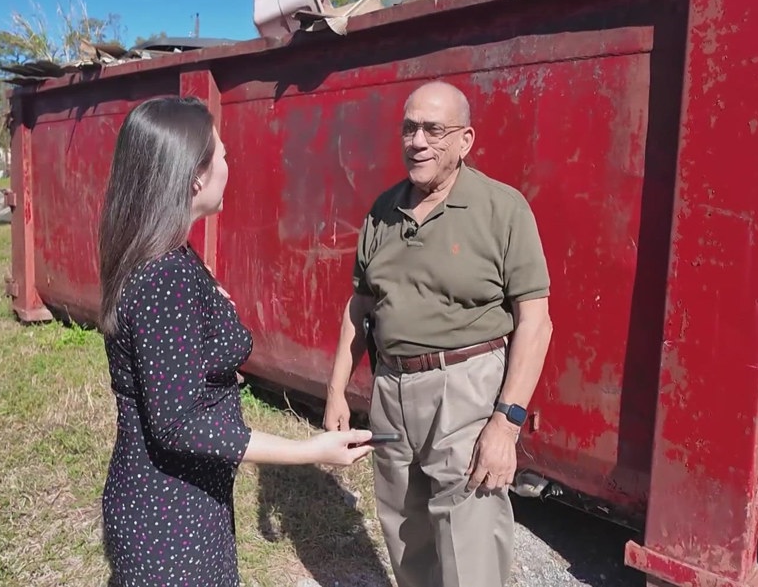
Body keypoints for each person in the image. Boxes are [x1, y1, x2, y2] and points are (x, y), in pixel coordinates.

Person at [96, 95, 376, 587]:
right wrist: (312, 450)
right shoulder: (165, 276)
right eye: (222, 153)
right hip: (169, 519)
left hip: (182, 502)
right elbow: (181, 426)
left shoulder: (169, 258)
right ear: (195, 176)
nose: (230, 163)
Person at [323, 81, 554, 587]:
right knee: (406, 534)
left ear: (466, 140)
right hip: (391, 387)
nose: (418, 141)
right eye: (409, 128)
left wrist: (507, 424)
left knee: (468, 538)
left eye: (434, 129)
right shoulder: (382, 212)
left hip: (466, 387)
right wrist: (338, 387)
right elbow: (361, 303)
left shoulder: (501, 208)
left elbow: (536, 322)